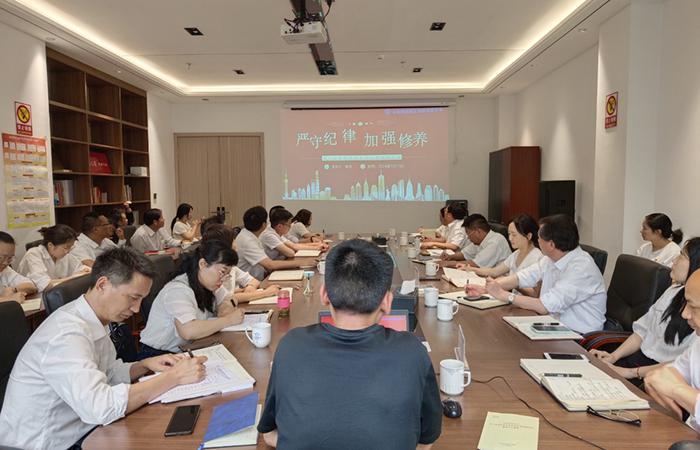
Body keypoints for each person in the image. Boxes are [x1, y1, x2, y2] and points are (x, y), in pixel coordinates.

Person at [0, 248, 207, 450]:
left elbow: (108, 372)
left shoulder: (95, 318)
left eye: (141, 299)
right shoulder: (66, 334)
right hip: (51, 443)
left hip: (84, 429)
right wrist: (174, 377)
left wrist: (144, 365)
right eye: (133, 298)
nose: (136, 309)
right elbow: (101, 407)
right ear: (102, 285)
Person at [258, 239, 442, 449]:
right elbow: (426, 440)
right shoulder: (412, 352)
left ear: (324, 294)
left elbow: (269, 434)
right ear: (387, 301)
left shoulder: (291, 346)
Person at [467, 214, 606, 334]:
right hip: (552, 325)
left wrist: (504, 295)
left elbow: (544, 306)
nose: (537, 240)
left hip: (577, 335)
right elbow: (521, 277)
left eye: (539, 238)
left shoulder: (581, 268)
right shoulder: (551, 258)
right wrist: (487, 289)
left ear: (551, 245)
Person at [591, 238, 700, 386]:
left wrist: (630, 373)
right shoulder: (673, 291)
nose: (674, 260)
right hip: (637, 361)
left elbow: (680, 365)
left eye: (681, 256)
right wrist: (613, 357)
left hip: (659, 375)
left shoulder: (696, 319)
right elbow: (642, 331)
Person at [139, 240, 245, 357]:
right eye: (222, 272)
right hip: (159, 355)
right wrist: (228, 320)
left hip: (189, 348)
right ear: (203, 264)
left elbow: (229, 298)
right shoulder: (178, 289)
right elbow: (188, 331)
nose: (223, 279)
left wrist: (224, 309)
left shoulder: (210, 283)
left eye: (227, 275)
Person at [645, 270, 700, 431]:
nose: (685, 314)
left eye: (693, 307)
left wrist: (677, 390)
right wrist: (656, 378)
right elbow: (674, 371)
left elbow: (673, 384)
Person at [201, 224, 281, 303]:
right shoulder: (213, 271)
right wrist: (266, 293)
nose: (236, 243)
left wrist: (250, 287)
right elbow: (227, 298)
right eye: (233, 240)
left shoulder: (231, 267)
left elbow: (253, 281)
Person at [234, 206, 314, 280]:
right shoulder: (248, 240)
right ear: (264, 224)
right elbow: (270, 265)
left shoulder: (249, 234)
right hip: (252, 282)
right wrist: (303, 262)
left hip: (260, 276)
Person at [458, 214, 541, 278]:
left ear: (528, 236)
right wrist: (470, 269)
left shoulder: (537, 258)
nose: (510, 238)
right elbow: (494, 272)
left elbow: (533, 293)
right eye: (509, 234)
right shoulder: (516, 254)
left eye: (514, 235)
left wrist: (510, 281)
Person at [18, 225, 90, 292]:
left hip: (56, 293)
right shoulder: (33, 254)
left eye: (71, 247)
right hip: (32, 297)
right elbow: (45, 285)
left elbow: (82, 269)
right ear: (50, 245)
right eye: (66, 247)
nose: (68, 251)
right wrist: (74, 277)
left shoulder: (65, 255)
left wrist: (86, 271)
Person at [443, 214, 512, 267]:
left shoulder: (494, 242)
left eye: (468, 233)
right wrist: (450, 257)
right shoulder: (479, 241)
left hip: (500, 278)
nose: (468, 237)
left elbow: (475, 264)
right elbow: (465, 254)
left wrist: (448, 264)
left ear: (478, 231)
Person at [259, 208, 327, 261]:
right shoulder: (269, 235)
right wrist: (316, 246)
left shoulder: (277, 232)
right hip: (267, 271)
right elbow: (290, 253)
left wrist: (318, 246)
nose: (290, 227)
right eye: (289, 225)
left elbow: (294, 246)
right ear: (280, 226)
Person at [0, 231, 37, 302]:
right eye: (1, 258)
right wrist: (8, 299)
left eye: (10, 258)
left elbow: (31, 286)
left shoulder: (6, 270)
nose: (5, 263)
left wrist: (14, 289)